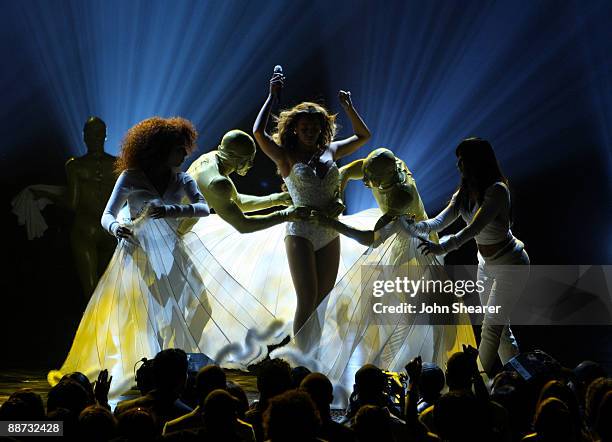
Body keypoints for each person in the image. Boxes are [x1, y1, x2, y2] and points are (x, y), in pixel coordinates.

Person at [47, 117, 284, 397]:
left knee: (199, 305)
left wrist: (170, 211)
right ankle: (157, 370)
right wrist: (116, 227)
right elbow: (107, 214)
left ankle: (174, 362)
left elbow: (202, 208)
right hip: (140, 250)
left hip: (172, 249)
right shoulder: (131, 177)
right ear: (160, 149)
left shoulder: (180, 178)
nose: (185, 154)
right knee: (151, 312)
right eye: (179, 149)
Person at [272, 148, 475, 406]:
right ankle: (389, 372)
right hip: (397, 241)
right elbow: (346, 172)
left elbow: (372, 239)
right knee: (388, 311)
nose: (367, 183)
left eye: (372, 180)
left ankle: (430, 378)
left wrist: (331, 222)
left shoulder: (400, 195)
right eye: (366, 176)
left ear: (388, 175)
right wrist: (337, 197)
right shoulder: (380, 163)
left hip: (413, 248)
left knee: (419, 316)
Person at [253, 69, 371, 343]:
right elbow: (258, 132)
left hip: (330, 231)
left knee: (323, 300)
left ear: (321, 128)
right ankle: (302, 363)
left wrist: (349, 107)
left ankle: (314, 357)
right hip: (300, 231)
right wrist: (271, 97)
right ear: (295, 128)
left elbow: (364, 136)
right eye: (304, 127)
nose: (309, 131)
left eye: (314, 127)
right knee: (307, 298)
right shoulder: (285, 155)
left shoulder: (331, 150)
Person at [407, 137, 530, 375]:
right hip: (486, 265)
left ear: (478, 162)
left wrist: (443, 248)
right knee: (501, 330)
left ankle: (478, 380)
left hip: (511, 265)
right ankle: (519, 378)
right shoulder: (464, 192)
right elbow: (439, 222)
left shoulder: (497, 190)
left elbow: (474, 228)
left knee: (490, 328)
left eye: (463, 160)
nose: (458, 165)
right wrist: (412, 227)